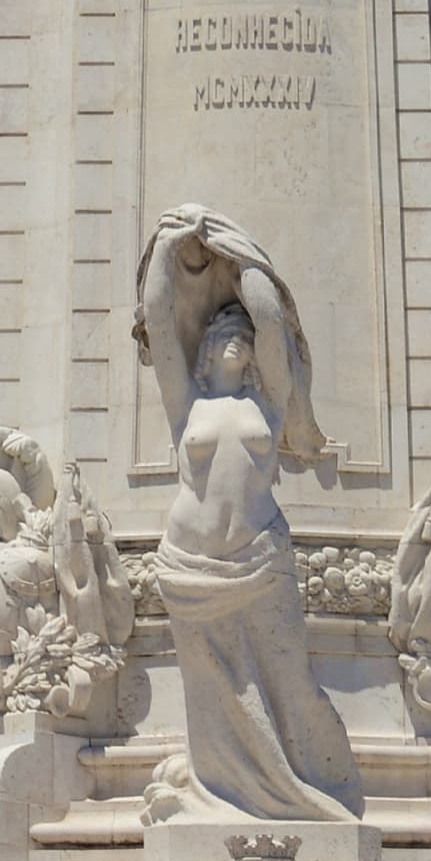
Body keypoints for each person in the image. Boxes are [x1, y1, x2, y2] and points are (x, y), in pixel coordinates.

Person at [141, 234, 359, 826]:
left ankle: (306, 786)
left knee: (293, 689)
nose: (236, 332)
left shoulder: (270, 407)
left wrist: (249, 267)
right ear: (206, 352)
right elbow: (160, 326)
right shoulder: (186, 405)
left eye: (243, 332)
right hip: (191, 570)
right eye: (223, 330)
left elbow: (272, 330)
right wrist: (165, 253)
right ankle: (222, 788)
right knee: (210, 697)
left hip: (260, 565)